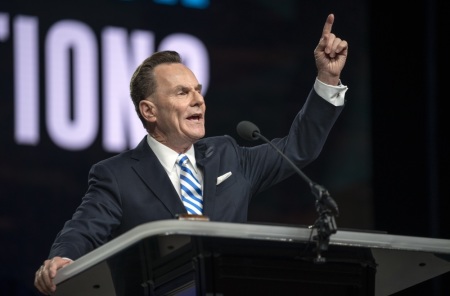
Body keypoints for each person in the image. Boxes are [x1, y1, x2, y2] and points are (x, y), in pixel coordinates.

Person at [34, 13, 348, 295]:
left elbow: (299, 147)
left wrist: (327, 79)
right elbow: (83, 228)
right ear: (149, 111)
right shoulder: (117, 175)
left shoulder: (229, 156)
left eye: (198, 89)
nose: (199, 100)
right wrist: (62, 259)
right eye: (183, 92)